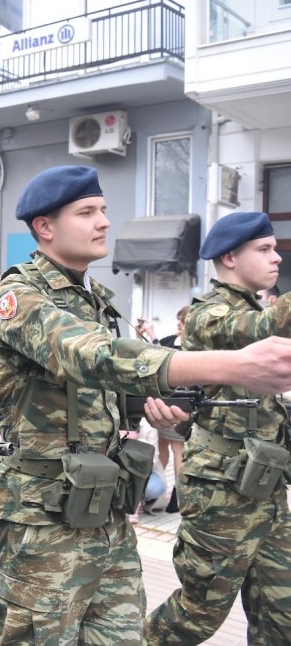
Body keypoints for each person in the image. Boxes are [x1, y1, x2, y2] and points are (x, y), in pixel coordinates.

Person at [0, 166, 291, 644]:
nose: (104, 221)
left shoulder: (92, 300)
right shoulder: (17, 296)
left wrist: (146, 404)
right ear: (44, 227)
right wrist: (232, 366)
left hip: (104, 506)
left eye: (103, 209)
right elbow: (91, 356)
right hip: (43, 515)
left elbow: (91, 392)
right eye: (87, 212)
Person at [145, 212, 291, 645]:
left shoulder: (252, 309)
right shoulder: (209, 315)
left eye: (275, 248)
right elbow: (263, 328)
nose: (277, 258)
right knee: (197, 614)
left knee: (282, 615)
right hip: (221, 489)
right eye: (264, 249)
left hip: (266, 485)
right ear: (229, 257)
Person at [145, 305, 190, 513]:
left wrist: (152, 335)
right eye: (179, 320)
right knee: (162, 447)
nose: (179, 324)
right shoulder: (171, 340)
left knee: (177, 448)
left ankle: (178, 497)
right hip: (162, 401)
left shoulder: (191, 345)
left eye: (183, 321)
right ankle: (160, 494)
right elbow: (154, 356)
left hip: (178, 402)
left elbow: (168, 361)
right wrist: (149, 335)